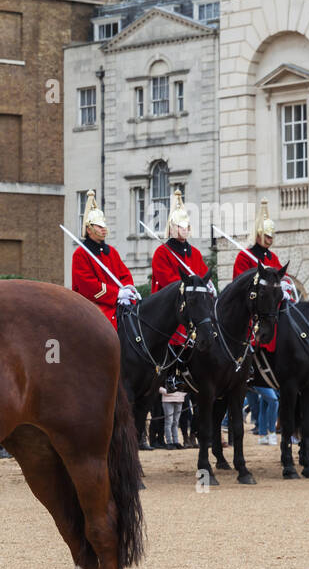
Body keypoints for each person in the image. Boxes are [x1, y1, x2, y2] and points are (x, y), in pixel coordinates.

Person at [149, 189, 210, 348]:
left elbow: (202, 275)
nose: (184, 229)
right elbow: (167, 281)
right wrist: (192, 288)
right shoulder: (162, 253)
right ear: (172, 227)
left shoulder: (195, 253)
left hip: (193, 306)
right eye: (180, 226)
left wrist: (207, 285)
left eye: (186, 226)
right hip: (171, 307)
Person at [70, 190, 137, 329]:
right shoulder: (80, 254)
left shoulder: (111, 252)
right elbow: (87, 285)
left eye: (104, 226)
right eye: (99, 226)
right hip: (94, 306)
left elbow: (124, 275)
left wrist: (127, 290)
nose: (104, 229)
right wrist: (117, 294)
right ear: (89, 229)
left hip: (117, 303)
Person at [232, 198, 283, 280]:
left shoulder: (273, 257)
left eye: (271, 237)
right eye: (267, 236)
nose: (270, 240)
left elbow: (282, 275)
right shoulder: (244, 256)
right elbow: (241, 282)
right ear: (258, 236)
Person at [159, 383, 185, 449]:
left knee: (176, 422)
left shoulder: (180, 374)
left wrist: (181, 394)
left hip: (179, 400)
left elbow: (186, 387)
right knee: (169, 422)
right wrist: (169, 392)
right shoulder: (164, 374)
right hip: (168, 400)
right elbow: (158, 387)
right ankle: (169, 442)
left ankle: (176, 441)